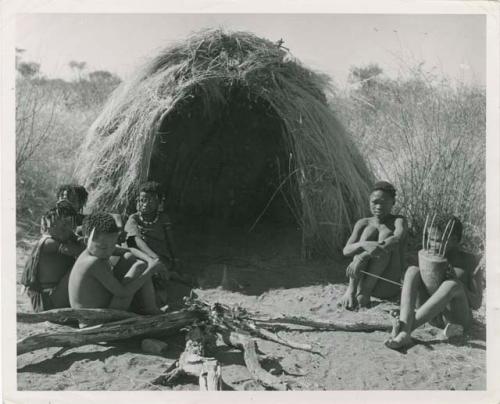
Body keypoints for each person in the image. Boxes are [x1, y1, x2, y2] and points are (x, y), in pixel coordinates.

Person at [385, 216, 483, 350]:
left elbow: (477, 303)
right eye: (430, 239)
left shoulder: (470, 262)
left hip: (456, 320)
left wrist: (458, 281)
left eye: (437, 240)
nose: (431, 244)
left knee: (452, 285)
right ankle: (404, 323)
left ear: (455, 240)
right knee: (412, 271)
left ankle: (404, 330)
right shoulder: (427, 255)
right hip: (430, 317)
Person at [68, 212, 163, 314]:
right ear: (87, 241)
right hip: (96, 319)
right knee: (139, 267)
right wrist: (150, 270)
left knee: (129, 257)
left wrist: (150, 260)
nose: (109, 251)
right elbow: (123, 293)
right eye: (104, 247)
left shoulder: (97, 250)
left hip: (104, 309)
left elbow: (129, 250)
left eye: (113, 245)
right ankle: (150, 309)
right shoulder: (92, 263)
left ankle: (149, 308)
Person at [339, 181, 408, 310]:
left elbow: (396, 239)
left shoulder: (399, 221)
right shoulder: (363, 222)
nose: (378, 207)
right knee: (369, 232)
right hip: (360, 281)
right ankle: (352, 290)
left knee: (385, 237)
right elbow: (346, 250)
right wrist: (363, 244)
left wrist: (362, 256)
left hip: (386, 286)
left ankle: (364, 293)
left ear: (393, 202)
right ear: (369, 201)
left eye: (384, 202)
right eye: (375, 202)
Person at [21, 201, 85, 312]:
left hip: (56, 295)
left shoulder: (66, 237)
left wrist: (78, 238)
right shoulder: (49, 243)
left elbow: (76, 238)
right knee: (82, 265)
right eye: (58, 224)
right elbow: (79, 251)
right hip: (47, 301)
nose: (64, 228)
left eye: (68, 224)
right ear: (49, 226)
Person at [124, 181, 179, 305]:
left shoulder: (163, 219)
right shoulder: (134, 219)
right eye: (142, 200)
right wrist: (154, 258)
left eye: (150, 200)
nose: (145, 204)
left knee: (162, 275)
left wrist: (176, 259)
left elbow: (170, 240)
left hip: (161, 257)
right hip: (145, 257)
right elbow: (135, 240)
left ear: (159, 202)